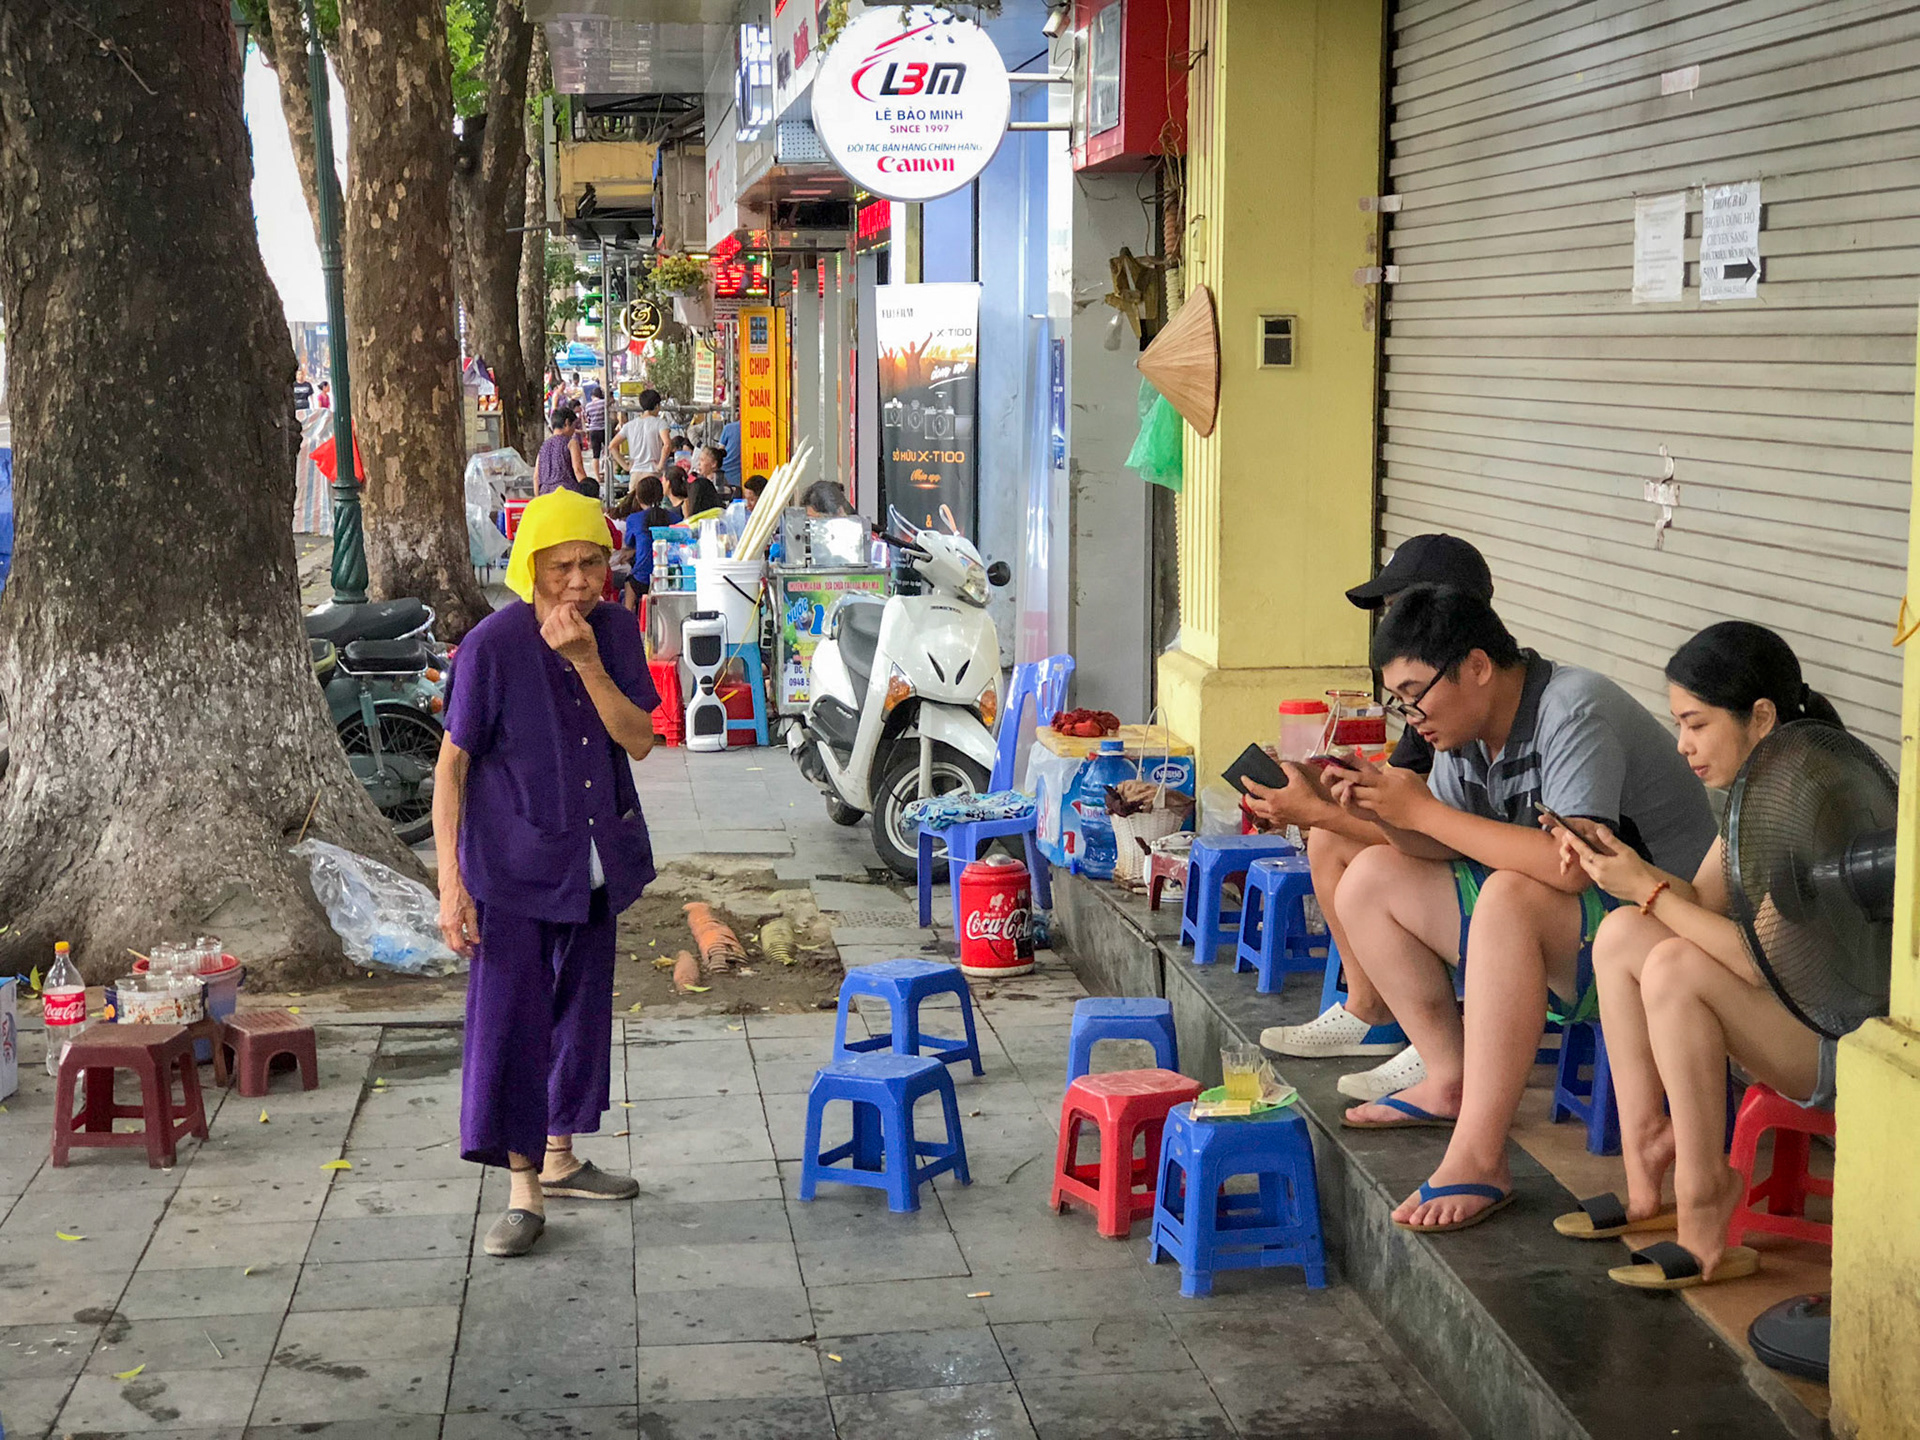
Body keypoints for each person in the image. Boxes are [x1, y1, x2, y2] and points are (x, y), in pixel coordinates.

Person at [1328, 585, 1716, 1232]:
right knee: (1370, 876)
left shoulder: (1573, 711)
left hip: (1663, 936)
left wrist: (1419, 809)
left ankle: (1481, 1154)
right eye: (1398, 701)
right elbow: (1443, 843)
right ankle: (1450, 1077)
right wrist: (1384, 813)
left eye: (1416, 693)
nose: (1411, 717)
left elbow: (1569, 870)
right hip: (1583, 932)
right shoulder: (1468, 734)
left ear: (1477, 667)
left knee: (1508, 896)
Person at [1551, 623, 1846, 1289]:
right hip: (1790, 1012)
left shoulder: (1811, 796)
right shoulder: (1759, 785)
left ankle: (1706, 1191)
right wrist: (1618, 866)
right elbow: (1698, 905)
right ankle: (1647, 1166)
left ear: (1760, 717)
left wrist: (1647, 888)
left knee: (1674, 967)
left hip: (1839, 1044)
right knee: (1625, 933)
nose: (1682, 744)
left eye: (1696, 723)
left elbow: (1749, 961)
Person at [434, 487, 661, 1258]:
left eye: (592, 562)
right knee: (510, 1028)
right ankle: (523, 1189)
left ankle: (560, 1157)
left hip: (595, 866)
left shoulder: (615, 633)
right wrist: (450, 885)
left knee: (581, 1016)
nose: (578, 581)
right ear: (531, 569)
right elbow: (451, 771)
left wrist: (589, 663)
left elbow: (639, 740)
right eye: (561, 565)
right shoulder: (492, 647)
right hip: (510, 871)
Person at [1251, 535, 1497, 1104]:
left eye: (1401, 606)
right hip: (1462, 861)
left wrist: (1316, 812)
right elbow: (1405, 803)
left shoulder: (1465, 695)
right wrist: (1314, 789)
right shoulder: (1427, 698)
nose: (1390, 622)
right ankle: (1372, 1009)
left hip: (1492, 882)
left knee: (1345, 849)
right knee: (1327, 838)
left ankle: (1434, 1042)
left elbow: (1440, 833)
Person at [616, 474, 665, 610]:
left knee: (629, 582)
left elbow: (630, 542)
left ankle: (628, 614)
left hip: (642, 578)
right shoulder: (675, 517)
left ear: (637, 497)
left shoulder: (634, 519)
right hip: (667, 576)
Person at [613, 388, 670, 477]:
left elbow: (612, 446)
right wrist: (660, 466)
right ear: (657, 406)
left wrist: (626, 467)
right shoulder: (660, 423)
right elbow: (667, 445)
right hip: (652, 473)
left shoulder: (629, 425)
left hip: (635, 473)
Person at [535, 406, 590, 496]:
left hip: (545, 495)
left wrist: (537, 499)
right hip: (567, 493)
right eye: (574, 426)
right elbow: (578, 470)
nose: (574, 431)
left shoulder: (544, 446)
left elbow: (536, 477)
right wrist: (588, 495)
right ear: (567, 423)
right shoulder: (571, 443)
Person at [582, 383, 608, 467]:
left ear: (593, 396)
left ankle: (597, 477)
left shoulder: (588, 406)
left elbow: (587, 419)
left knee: (595, 455)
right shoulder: (604, 403)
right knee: (609, 451)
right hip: (604, 429)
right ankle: (608, 471)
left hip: (593, 431)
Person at [719, 419, 742, 491]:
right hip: (740, 475)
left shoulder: (728, 428)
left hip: (725, 473)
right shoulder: (750, 428)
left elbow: (720, 451)